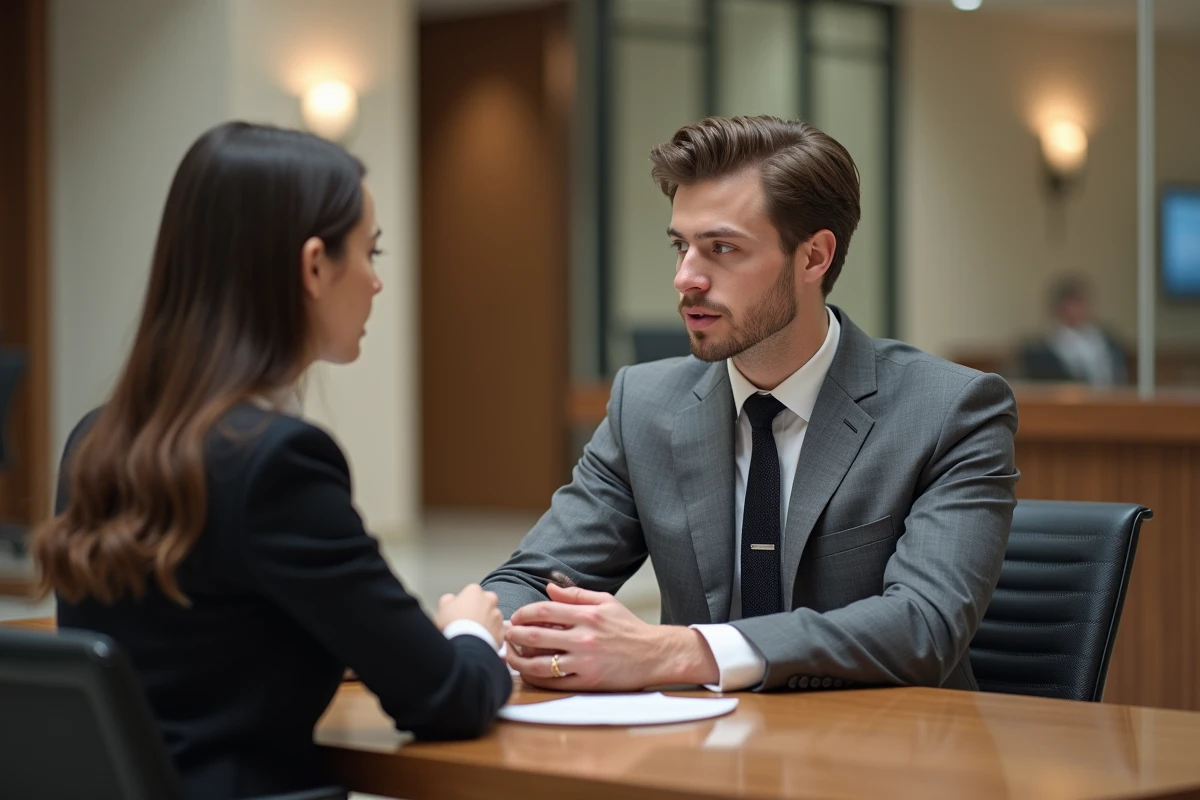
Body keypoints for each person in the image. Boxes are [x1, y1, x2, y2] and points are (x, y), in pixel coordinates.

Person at [32, 122, 511, 800]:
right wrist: (470, 632)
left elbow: (210, 645)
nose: (376, 283)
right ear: (314, 266)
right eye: (370, 253)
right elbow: (446, 698)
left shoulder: (95, 442)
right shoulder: (276, 462)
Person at [484, 115, 1019, 694]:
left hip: (885, 757)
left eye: (721, 249)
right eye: (680, 246)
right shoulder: (644, 404)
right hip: (699, 757)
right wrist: (476, 631)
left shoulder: (950, 411)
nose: (685, 278)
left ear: (813, 258)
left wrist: (684, 651)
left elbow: (925, 625)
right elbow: (532, 580)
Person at [1019, 276, 1128, 386]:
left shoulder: (1106, 338)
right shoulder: (1041, 347)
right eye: (1071, 305)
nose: (1076, 310)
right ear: (1059, 308)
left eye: (1079, 304)